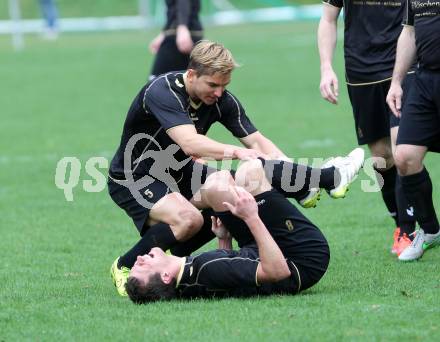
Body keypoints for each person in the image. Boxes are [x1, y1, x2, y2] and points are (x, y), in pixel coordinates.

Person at [108, 39, 326, 295]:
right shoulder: (162, 91)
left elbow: (257, 140)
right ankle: (124, 265)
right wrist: (235, 152)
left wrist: (295, 174)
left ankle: (175, 265)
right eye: (212, 85)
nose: (219, 92)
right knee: (188, 220)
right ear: (191, 75)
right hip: (135, 176)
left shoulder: (219, 100)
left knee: (227, 191)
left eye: (224, 85)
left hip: (180, 171)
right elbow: (190, 143)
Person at [111, 148, 365, 296]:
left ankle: (305, 187)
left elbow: (231, 278)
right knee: (250, 171)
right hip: (302, 255)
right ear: (165, 276)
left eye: (137, 264)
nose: (140, 260)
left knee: (216, 187)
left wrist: (223, 238)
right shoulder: (204, 271)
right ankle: (327, 179)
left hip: (264, 250)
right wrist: (251, 217)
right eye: (142, 267)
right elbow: (278, 272)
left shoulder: (191, 277)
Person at [317, 0, 416, 256]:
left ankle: (409, 230)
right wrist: (326, 67)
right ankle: (400, 224)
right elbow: (328, 19)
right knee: (381, 157)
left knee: (403, 150)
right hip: (361, 72)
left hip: (402, 67)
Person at [385, 0, 440, 261]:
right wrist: (397, 81)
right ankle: (430, 231)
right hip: (424, 79)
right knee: (405, 156)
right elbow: (409, 31)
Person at [148, 0, 202, 80]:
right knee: (188, 84)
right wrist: (165, 33)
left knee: (155, 83)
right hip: (183, 32)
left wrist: (182, 27)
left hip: (179, 36)